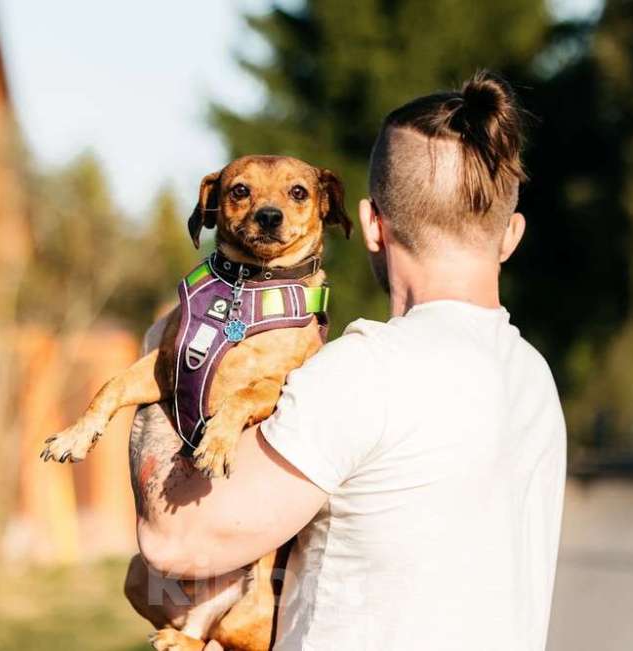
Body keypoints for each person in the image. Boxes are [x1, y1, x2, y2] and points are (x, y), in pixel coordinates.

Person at [129, 71, 567, 650]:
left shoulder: (360, 375)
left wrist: (167, 357)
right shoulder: (533, 379)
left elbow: (175, 543)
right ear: (510, 235)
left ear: (369, 225)